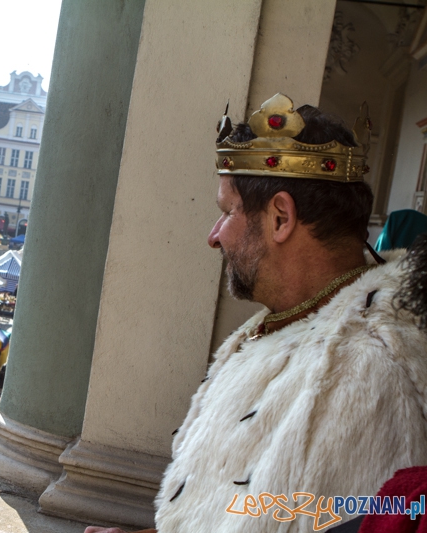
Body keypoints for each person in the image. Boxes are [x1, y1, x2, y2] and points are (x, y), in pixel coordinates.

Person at [135, 95, 427, 532]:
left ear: (280, 218)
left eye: (228, 212)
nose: (214, 237)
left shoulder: (366, 371)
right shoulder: (291, 319)